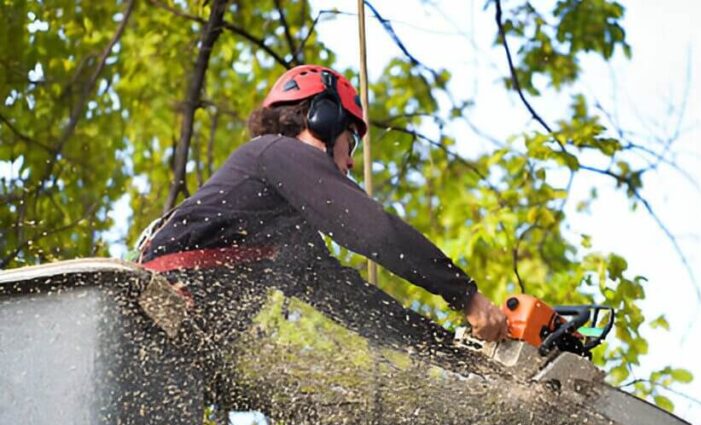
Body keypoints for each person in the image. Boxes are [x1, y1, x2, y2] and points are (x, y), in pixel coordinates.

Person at [139, 64, 508, 347]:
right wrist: (466, 295)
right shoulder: (275, 153)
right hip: (154, 308)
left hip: (175, 336)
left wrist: (454, 350)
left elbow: (353, 304)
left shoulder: (283, 230)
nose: (350, 163)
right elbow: (374, 231)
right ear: (323, 120)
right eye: (352, 142)